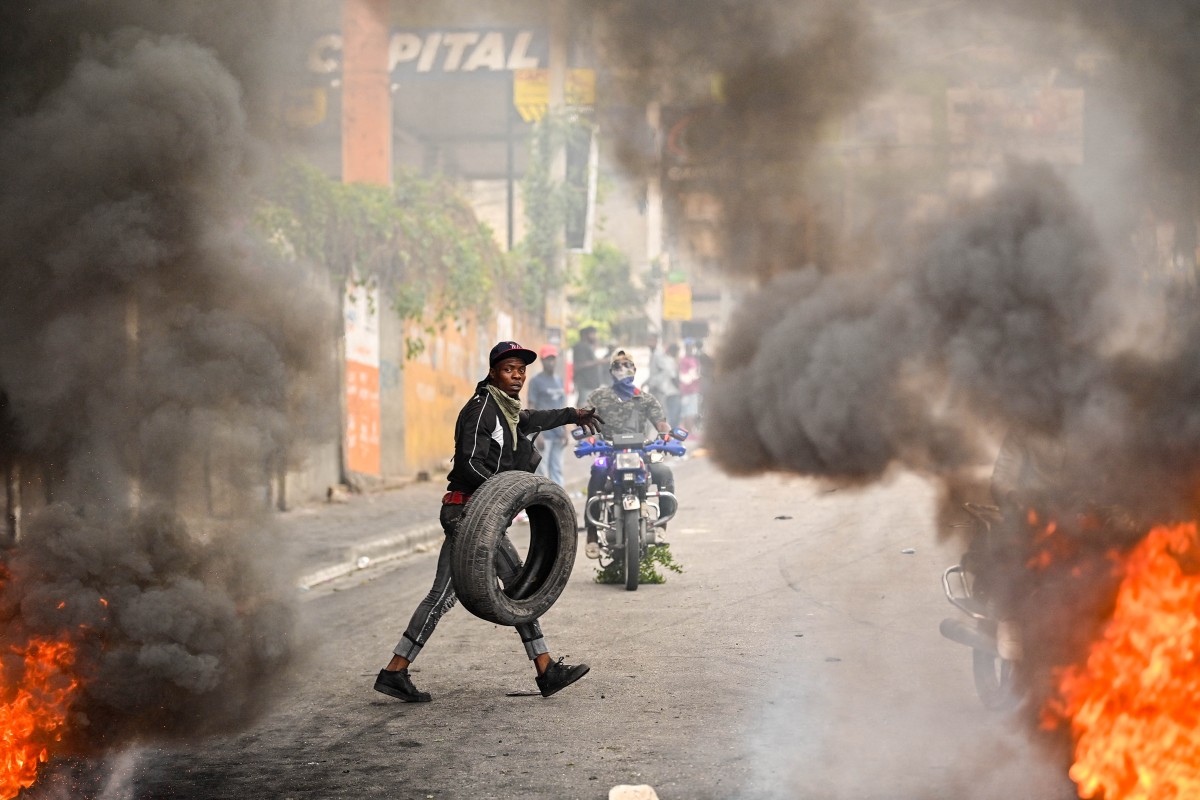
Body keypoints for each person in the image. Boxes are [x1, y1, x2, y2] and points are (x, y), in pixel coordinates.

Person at [374, 341, 604, 702]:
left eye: (521, 370)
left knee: (444, 595)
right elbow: (468, 463)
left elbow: (535, 419)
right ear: (494, 373)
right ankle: (545, 669)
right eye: (509, 369)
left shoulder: (506, 411)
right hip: (468, 514)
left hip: (473, 515)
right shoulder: (482, 409)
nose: (517, 376)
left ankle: (395, 670)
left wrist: (574, 414)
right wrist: (500, 498)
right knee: (519, 584)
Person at [582, 350, 676, 559]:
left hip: (641, 453)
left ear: (634, 369)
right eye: (617, 366)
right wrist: (588, 437)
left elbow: (661, 423)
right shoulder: (599, 396)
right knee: (597, 474)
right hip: (608, 452)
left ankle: (661, 527)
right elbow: (586, 419)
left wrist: (666, 436)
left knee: (664, 473)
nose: (622, 369)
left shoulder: (646, 399)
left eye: (627, 365)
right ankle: (592, 534)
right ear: (611, 371)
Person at [528, 344, 568, 486]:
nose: (551, 362)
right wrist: (536, 434)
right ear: (542, 361)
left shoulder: (558, 380)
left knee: (557, 469)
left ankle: (559, 498)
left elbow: (563, 406)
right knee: (541, 472)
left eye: (553, 359)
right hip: (543, 434)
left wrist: (565, 430)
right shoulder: (536, 381)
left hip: (558, 434)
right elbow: (531, 407)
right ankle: (542, 499)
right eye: (548, 359)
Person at [642, 333, 680, 429]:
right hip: (653, 389)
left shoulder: (658, 354)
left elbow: (666, 370)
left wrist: (655, 383)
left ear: (656, 342)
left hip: (659, 390)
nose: (649, 343)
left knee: (659, 415)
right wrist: (645, 383)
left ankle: (666, 434)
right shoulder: (653, 354)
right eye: (648, 340)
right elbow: (654, 373)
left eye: (652, 340)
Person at [571, 326, 606, 406]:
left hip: (590, 384)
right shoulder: (580, 346)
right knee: (584, 406)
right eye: (593, 334)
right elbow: (580, 364)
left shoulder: (588, 346)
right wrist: (599, 362)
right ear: (587, 335)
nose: (595, 337)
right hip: (585, 383)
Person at [678, 340, 702, 434]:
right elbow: (685, 376)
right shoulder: (685, 360)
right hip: (688, 390)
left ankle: (688, 432)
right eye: (689, 347)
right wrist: (694, 375)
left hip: (692, 389)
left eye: (691, 347)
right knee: (689, 412)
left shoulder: (693, 359)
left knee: (689, 412)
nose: (690, 349)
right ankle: (689, 432)